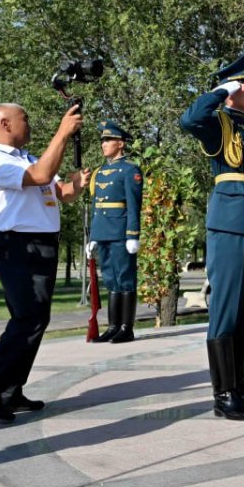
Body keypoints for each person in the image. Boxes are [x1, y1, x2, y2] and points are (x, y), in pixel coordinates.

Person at [0, 101, 89, 423]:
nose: (29, 124)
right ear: (5, 123)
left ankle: (10, 390)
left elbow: (61, 192)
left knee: (35, 319)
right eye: (24, 119)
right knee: (28, 319)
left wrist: (76, 184)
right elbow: (41, 175)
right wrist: (62, 132)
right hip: (20, 246)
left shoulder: (27, 158)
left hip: (40, 245)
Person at [180, 50, 244, 421]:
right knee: (226, 311)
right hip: (231, 225)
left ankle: (241, 390)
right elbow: (189, 120)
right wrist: (222, 91)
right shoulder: (217, 123)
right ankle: (223, 395)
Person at [86, 120, 143, 343]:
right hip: (103, 232)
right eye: (103, 140)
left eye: (108, 140)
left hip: (120, 231)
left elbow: (133, 204)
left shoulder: (129, 170)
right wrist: (93, 237)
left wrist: (132, 234)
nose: (103, 144)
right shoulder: (100, 173)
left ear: (120, 143)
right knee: (110, 279)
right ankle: (112, 327)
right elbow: (96, 206)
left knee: (125, 278)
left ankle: (126, 328)